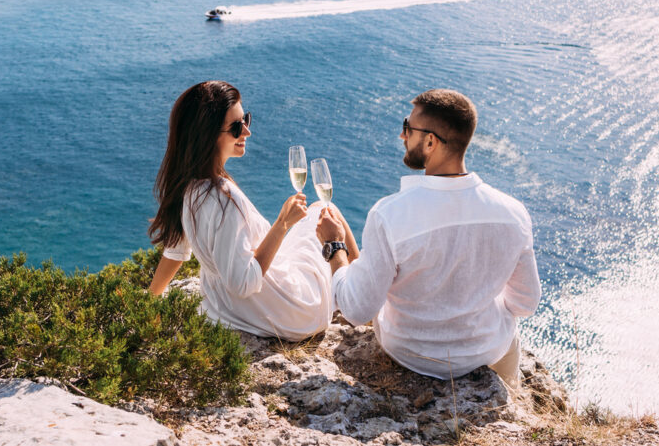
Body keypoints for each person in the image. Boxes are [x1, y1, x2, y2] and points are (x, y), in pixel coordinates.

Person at [315, 89, 540, 389]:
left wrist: (335, 247)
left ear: (431, 142)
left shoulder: (390, 214)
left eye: (407, 127)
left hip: (411, 355)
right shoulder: (513, 213)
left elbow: (356, 310)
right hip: (487, 353)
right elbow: (525, 304)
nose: (402, 136)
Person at [147, 81, 360, 341]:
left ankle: (358, 293)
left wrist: (150, 301)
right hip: (287, 311)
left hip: (231, 310)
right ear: (207, 135)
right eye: (236, 127)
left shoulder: (188, 185)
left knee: (317, 213)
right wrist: (282, 224)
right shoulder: (224, 199)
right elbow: (243, 283)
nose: (246, 132)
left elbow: (176, 251)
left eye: (246, 119)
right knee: (326, 210)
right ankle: (360, 300)